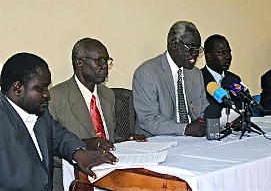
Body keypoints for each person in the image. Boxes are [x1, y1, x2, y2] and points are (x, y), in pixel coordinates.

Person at [0, 52, 118, 191]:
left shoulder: (39, 112)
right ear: (18, 88)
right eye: (41, 88)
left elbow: (60, 137)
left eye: (47, 88)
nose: (47, 95)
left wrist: (78, 153)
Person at [49, 37, 146, 190]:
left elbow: (108, 138)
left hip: (111, 176)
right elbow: (48, 151)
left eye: (107, 60)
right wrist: (81, 151)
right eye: (99, 61)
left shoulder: (107, 95)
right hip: (74, 180)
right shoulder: (55, 97)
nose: (105, 66)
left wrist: (128, 141)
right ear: (79, 63)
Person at [132, 21, 209, 137]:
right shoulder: (146, 73)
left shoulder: (196, 74)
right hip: (156, 142)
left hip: (192, 141)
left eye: (198, 49)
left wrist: (224, 120)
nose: (196, 53)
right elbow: (149, 120)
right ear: (174, 44)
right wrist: (185, 129)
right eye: (191, 48)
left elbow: (203, 110)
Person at [200, 34, 242, 110]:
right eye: (222, 53)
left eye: (228, 52)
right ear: (208, 56)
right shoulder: (199, 79)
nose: (228, 57)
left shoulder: (233, 79)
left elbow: (242, 106)